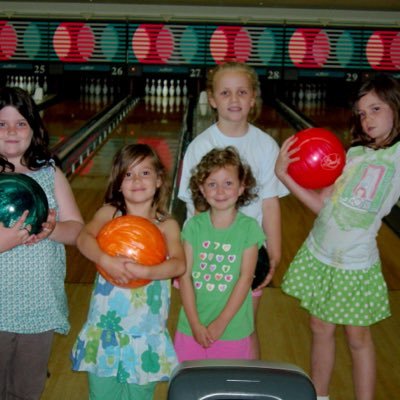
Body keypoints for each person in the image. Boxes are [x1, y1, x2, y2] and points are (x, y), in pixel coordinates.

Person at [275, 74, 400, 400]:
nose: (367, 119)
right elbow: (323, 205)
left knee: (358, 338)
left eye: (375, 109)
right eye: (361, 113)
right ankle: (319, 396)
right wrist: (285, 176)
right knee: (319, 328)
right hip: (321, 253)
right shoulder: (355, 154)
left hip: (356, 263)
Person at [177, 61, 288, 358]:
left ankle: (248, 384)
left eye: (242, 92)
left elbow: (270, 202)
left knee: (245, 329)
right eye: (225, 93)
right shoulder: (200, 146)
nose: (234, 99)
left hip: (248, 254)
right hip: (207, 257)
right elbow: (194, 210)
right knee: (201, 326)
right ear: (212, 99)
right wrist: (187, 260)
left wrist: (273, 253)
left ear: (253, 97)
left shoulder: (266, 146)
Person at [71, 143, 185, 400]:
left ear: (158, 180)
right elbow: (83, 238)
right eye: (129, 174)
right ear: (118, 183)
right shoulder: (109, 214)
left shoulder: (166, 226)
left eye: (145, 173)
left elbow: (179, 264)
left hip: (145, 334)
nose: (136, 180)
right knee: (102, 396)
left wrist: (144, 270)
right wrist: (104, 259)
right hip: (104, 331)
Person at [0, 87, 84, 399]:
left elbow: (76, 230)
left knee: (27, 390)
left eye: (21, 123)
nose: (11, 131)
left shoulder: (49, 173)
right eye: (2, 124)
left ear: (34, 129)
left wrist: (52, 229)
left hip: (39, 305)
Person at [174, 146, 265, 361]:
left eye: (228, 183)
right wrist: (195, 324)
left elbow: (245, 279)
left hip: (232, 328)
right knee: (189, 388)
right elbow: (184, 277)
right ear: (202, 189)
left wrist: (221, 322)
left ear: (242, 187)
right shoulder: (193, 227)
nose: (220, 191)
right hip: (191, 326)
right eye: (212, 184)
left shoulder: (249, 228)